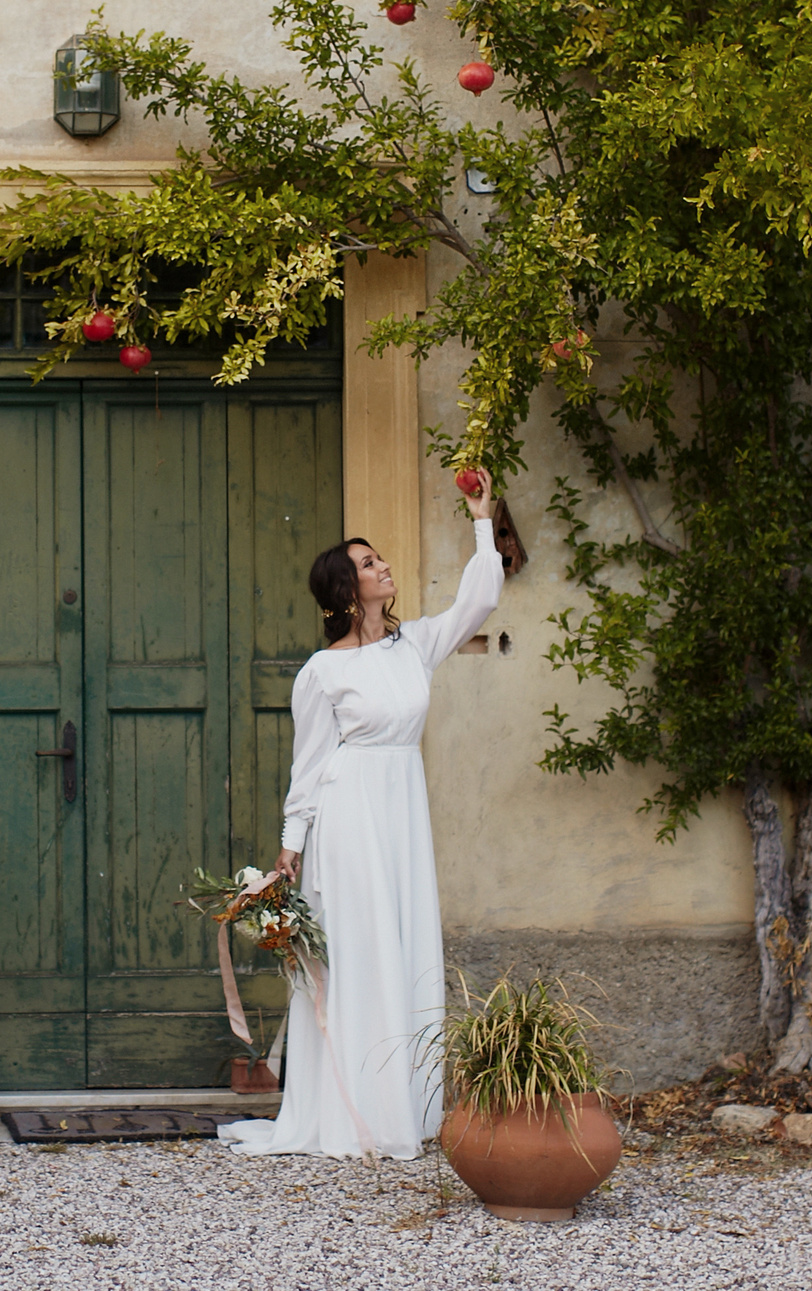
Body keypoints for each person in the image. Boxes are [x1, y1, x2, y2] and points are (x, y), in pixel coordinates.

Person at [221, 473, 502, 1159]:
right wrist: (293, 843)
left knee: (401, 946)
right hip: (349, 820)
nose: (384, 567)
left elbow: (481, 596)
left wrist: (481, 518)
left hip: (401, 811)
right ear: (348, 592)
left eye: (378, 558)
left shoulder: (416, 645)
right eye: (369, 563)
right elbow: (310, 763)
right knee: (357, 954)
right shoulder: (322, 672)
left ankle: (403, 1104)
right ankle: (349, 1111)